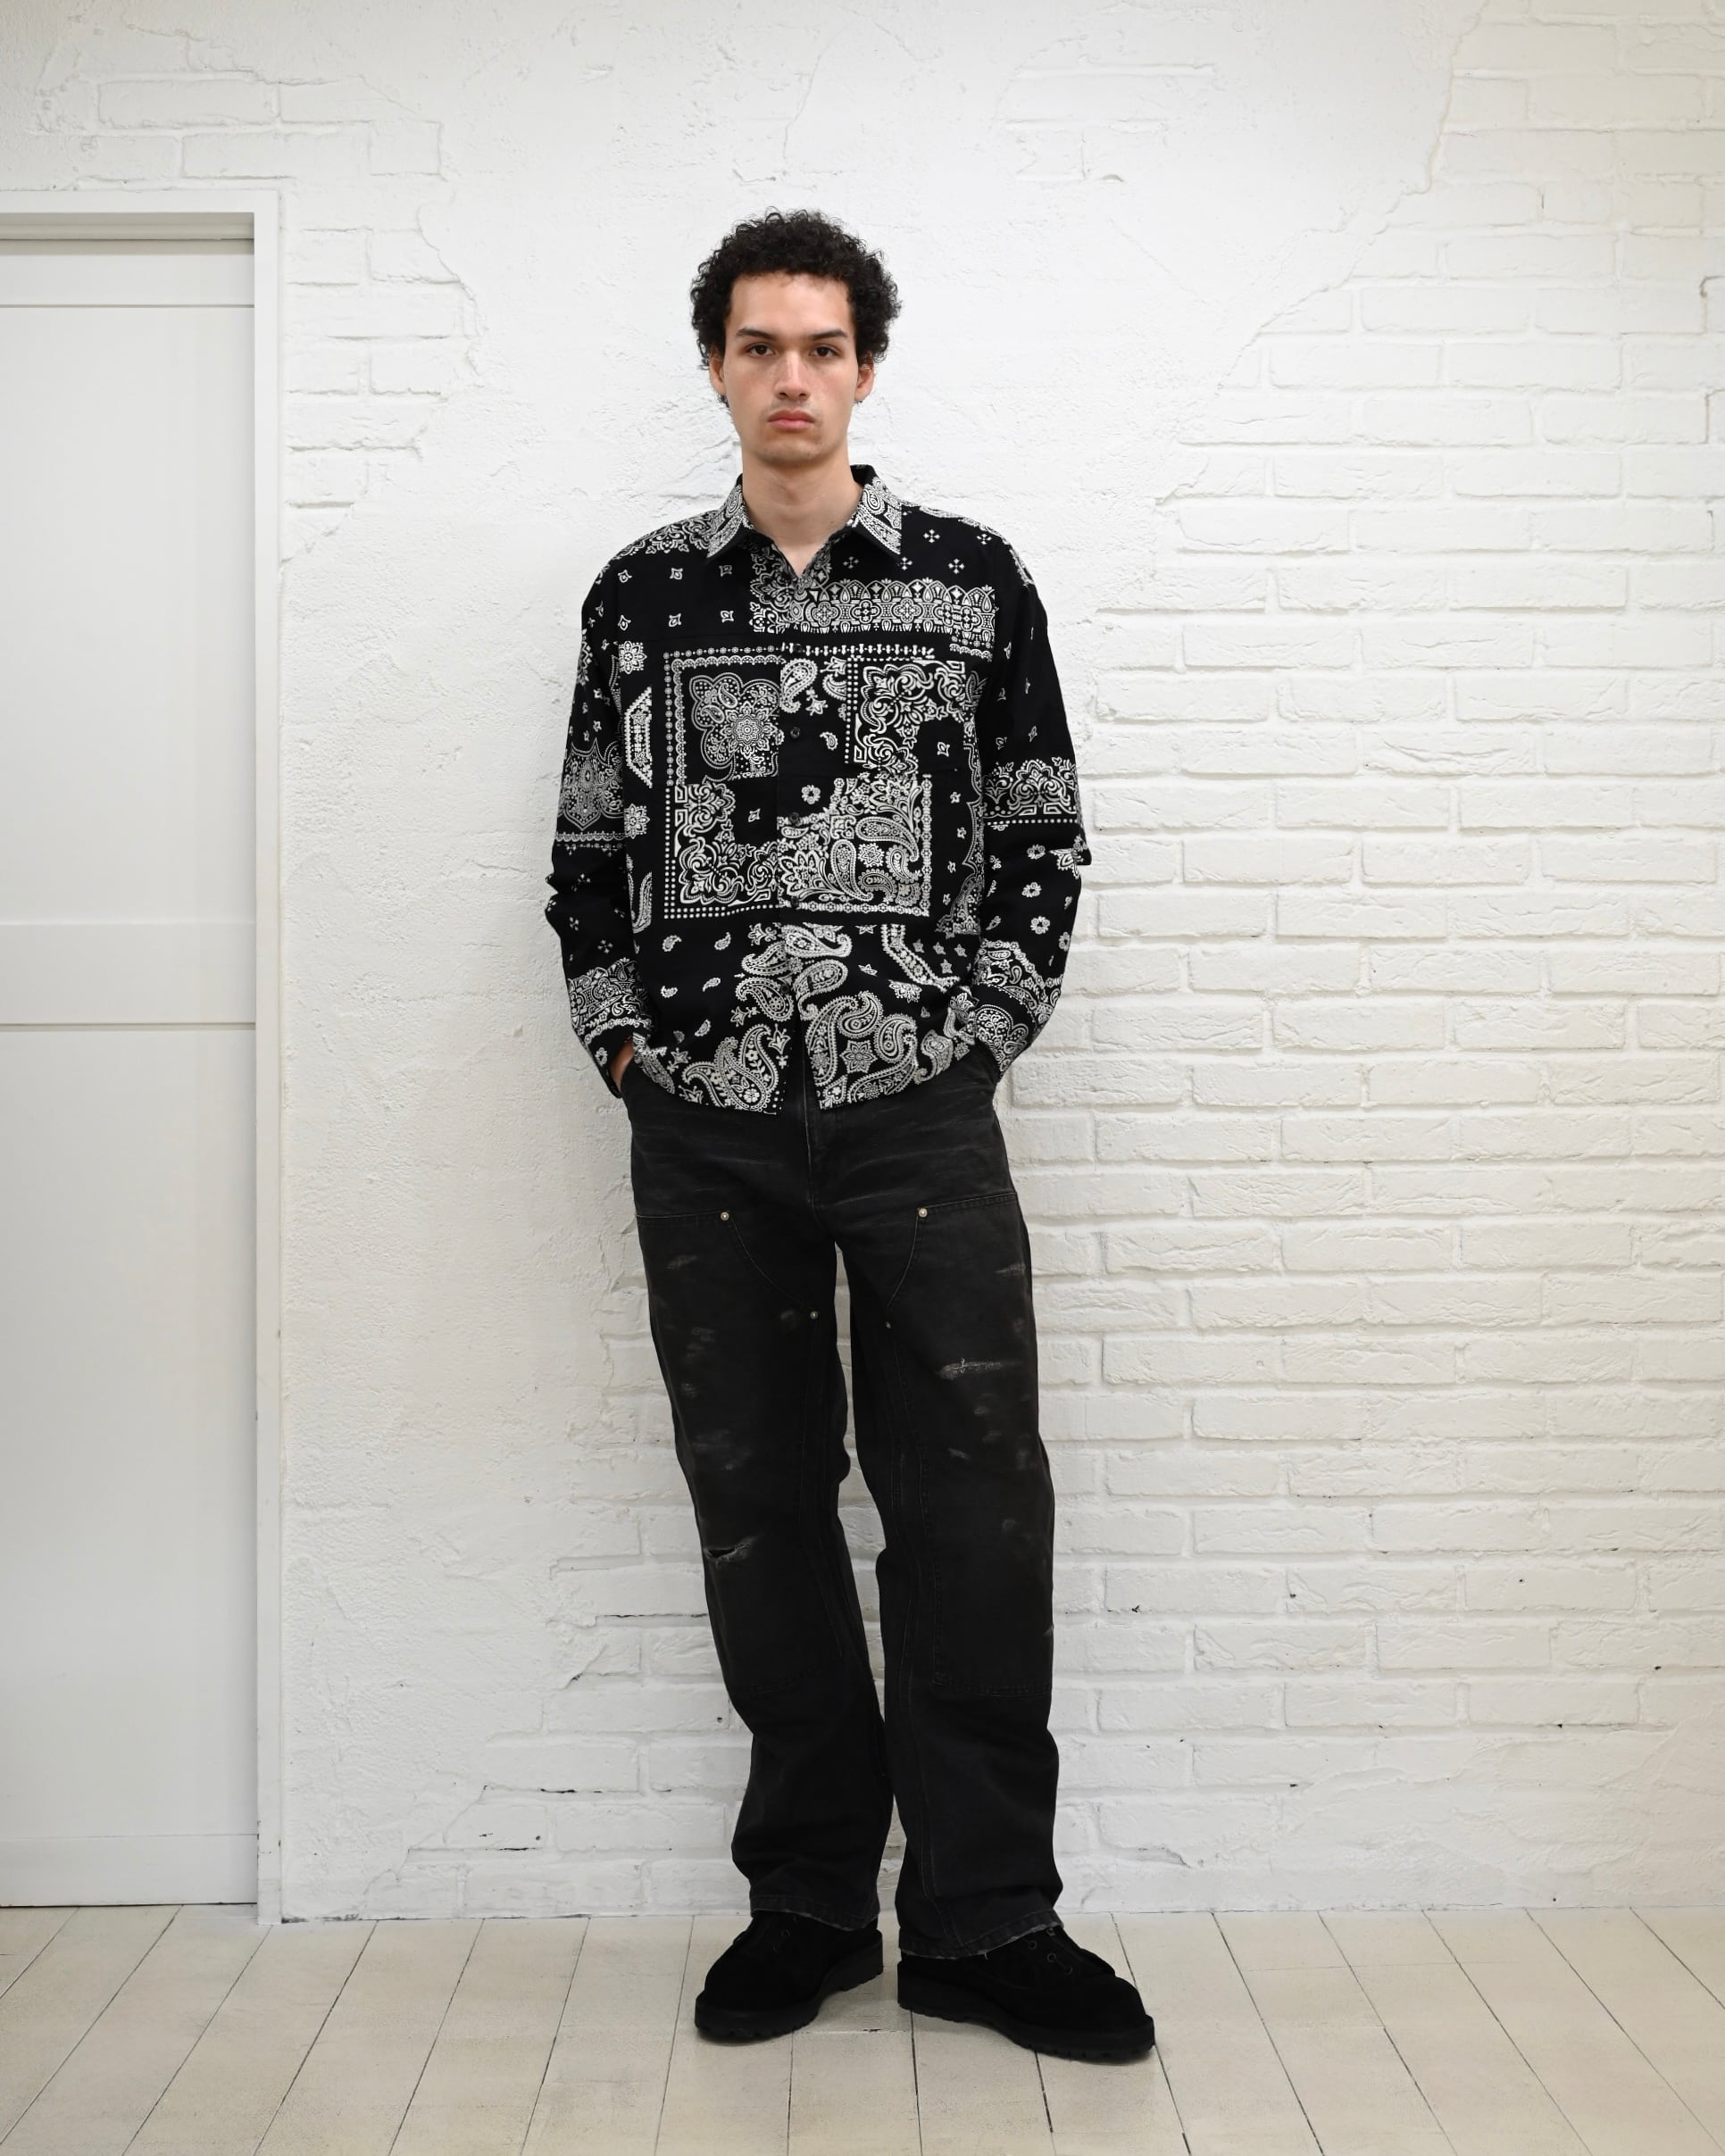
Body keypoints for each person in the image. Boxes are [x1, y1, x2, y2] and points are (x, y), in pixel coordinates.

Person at [545, 207, 1153, 2065]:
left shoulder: (972, 580)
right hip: (708, 1121)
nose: (791, 379)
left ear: (865, 368)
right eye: (759, 347)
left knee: (974, 1507)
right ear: (717, 369)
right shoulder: (643, 597)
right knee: (760, 1504)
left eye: (822, 347)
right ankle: (809, 1902)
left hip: (916, 1115)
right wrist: (632, 1052)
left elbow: (1041, 834)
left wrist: (978, 1036)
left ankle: (986, 1917)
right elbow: (584, 857)